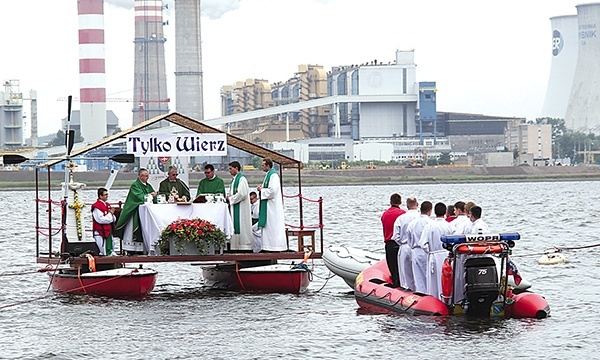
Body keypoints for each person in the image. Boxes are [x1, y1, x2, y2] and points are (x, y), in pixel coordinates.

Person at [113, 168, 157, 254]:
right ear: (140, 176)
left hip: (144, 212)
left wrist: (155, 196)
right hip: (134, 211)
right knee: (131, 230)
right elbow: (139, 197)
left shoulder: (148, 186)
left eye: (148, 176)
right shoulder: (135, 185)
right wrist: (150, 195)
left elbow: (151, 196)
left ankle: (141, 249)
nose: (147, 178)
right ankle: (130, 249)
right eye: (145, 176)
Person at [419, 202, 454, 299]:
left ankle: (434, 299)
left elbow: (422, 243)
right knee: (446, 280)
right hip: (447, 256)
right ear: (445, 212)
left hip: (434, 256)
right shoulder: (450, 226)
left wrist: (429, 251)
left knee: (434, 282)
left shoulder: (429, 226)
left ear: (434, 212)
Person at [257, 158, 287, 251]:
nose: (262, 167)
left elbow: (272, 191)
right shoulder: (268, 175)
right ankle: (267, 246)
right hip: (268, 206)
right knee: (268, 226)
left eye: (263, 165)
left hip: (272, 207)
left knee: (272, 226)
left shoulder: (273, 176)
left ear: (268, 166)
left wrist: (262, 190)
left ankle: (275, 246)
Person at [393, 196, 420, 290]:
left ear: (407, 205)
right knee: (419, 274)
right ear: (417, 204)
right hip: (418, 247)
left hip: (405, 246)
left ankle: (407, 291)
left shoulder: (401, 218)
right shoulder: (422, 218)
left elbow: (396, 236)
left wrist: (402, 243)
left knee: (405, 274)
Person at [226, 161, 253, 251]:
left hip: (241, 209)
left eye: (230, 168)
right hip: (235, 207)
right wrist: (229, 196)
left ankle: (245, 246)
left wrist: (230, 199)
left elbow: (242, 194)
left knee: (242, 226)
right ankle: (235, 246)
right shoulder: (234, 180)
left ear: (236, 168)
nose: (229, 171)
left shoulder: (242, 179)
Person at [408, 201, 433, 293]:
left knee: (418, 276)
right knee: (429, 276)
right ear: (430, 211)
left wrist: (413, 247)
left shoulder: (412, 223)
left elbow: (409, 239)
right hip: (428, 251)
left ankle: (420, 293)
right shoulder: (431, 223)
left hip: (416, 250)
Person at [381, 193, 405, 287]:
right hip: (399, 243)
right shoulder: (402, 214)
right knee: (400, 267)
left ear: (390, 202)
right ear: (400, 202)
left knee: (392, 266)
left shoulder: (385, 214)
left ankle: (395, 282)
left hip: (388, 243)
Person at [91, 187, 117, 256]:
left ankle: (110, 252)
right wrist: (110, 214)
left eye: (107, 194)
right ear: (100, 196)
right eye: (105, 195)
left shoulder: (107, 205)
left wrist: (111, 215)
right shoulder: (96, 206)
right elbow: (100, 219)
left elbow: (113, 219)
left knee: (110, 244)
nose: (107, 196)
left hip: (108, 230)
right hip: (100, 231)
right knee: (102, 249)